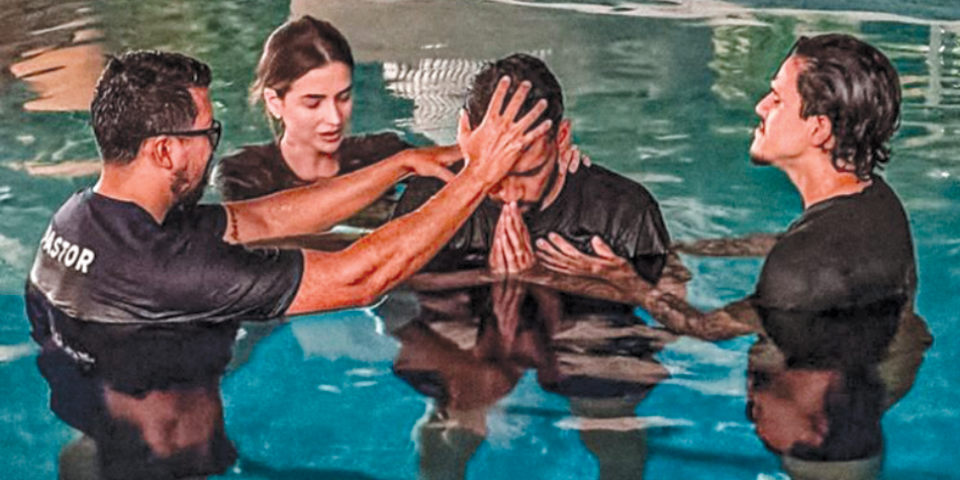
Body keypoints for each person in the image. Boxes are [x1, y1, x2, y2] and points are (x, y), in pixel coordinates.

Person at [25, 49, 551, 478]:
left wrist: (400, 165)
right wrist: (478, 177)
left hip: (115, 454)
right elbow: (363, 278)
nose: (213, 147)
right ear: (164, 151)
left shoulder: (84, 218)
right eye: (208, 134)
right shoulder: (168, 267)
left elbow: (258, 219)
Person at [599, 34, 926, 356]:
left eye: (777, 98)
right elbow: (794, 243)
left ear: (818, 129)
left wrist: (626, 280)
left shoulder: (802, 266)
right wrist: (696, 249)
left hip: (810, 398)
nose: (761, 107)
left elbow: (706, 328)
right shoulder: (873, 200)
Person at [394, 53, 682, 290]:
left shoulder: (624, 210)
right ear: (467, 135)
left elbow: (680, 316)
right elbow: (394, 306)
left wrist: (626, 279)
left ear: (561, 138)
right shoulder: (429, 199)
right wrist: (493, 279)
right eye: (491, 174)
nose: (509, 194)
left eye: (528, 174)